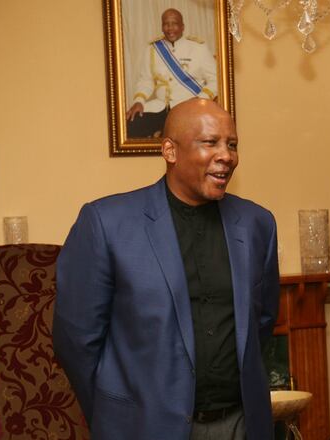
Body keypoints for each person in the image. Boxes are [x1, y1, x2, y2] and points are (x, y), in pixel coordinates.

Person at [54, 98, 279, 440]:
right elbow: (77, 340)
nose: (226, 155)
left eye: (232, 144)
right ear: (170, 151)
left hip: (240, 424)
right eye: (210, 142)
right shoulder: (106, 223)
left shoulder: (257, 224)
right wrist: (116, 414)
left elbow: (262, 323)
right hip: (144, 427)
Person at [126, 8, 218, 138]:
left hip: (188, 110)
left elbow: (216, 80)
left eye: (174, 24)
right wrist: (139, 101)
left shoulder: (198, 48)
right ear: (162, 27)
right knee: (130, 126)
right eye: (166, 24)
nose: (170, 28)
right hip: (159, 107)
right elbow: (146, 80)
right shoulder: (153, 49)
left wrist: (200, 100)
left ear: (182, 27)